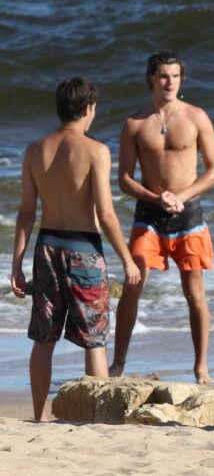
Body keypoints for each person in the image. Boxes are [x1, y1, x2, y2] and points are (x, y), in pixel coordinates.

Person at [10, 78, 141, 420]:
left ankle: (38, 417)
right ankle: (97, 419)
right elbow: (107, 215)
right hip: (84, 250)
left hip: (47, 248)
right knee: (94, 339)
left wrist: (16, 265)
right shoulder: (96, 151)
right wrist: (127, 260)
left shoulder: (34, 150)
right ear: (88, 109)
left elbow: (26, 212)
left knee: (44, 338)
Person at [112, 51, 214, 384]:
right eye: (163, 75)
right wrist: (155, 197)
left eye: (175, 76)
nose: (169, 82)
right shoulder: (135, 122)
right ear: (151, 78)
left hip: (187, 214)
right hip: (149, 213)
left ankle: (201, 367)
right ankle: (118, 363)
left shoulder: (196, 117)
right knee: (134, 284)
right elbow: (124, 178)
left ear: (181, 79)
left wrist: (181, 196)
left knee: (194, 292)